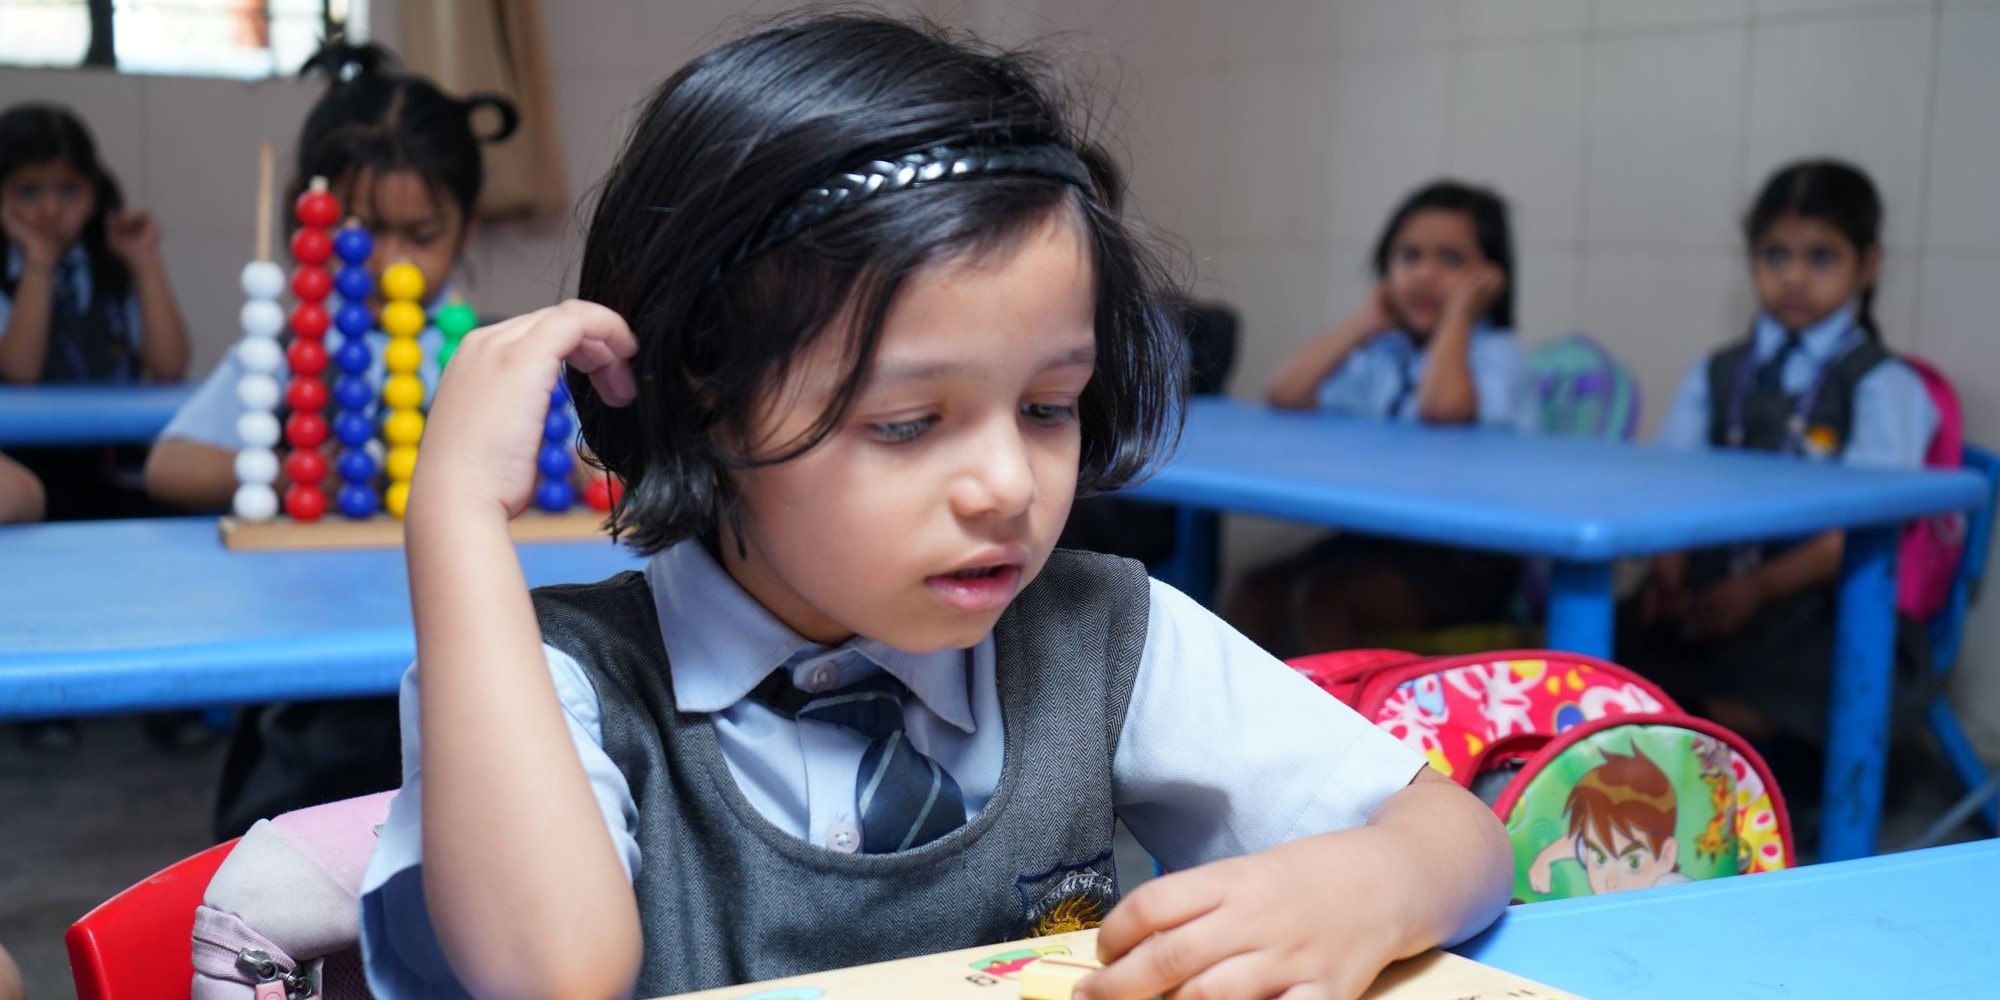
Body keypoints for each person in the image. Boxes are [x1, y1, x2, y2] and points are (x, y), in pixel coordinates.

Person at [357, 14, 1511, 999]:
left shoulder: (1099, 635)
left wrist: (1372, 883)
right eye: (907, 423)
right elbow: (552, 971)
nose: (1007, 485)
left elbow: (1456, 832)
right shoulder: (543, 684)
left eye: (1048, 406)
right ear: (699, 403)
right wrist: (451, 513)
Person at [139, 40, 519, 839]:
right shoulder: (291, 352)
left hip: (464, 653)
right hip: (314, 682)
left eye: (422, 233)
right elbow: (171, 466)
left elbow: (585, 464)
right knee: (298, 848)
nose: (391, 262)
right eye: (363, 231)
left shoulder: (485, 353)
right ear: (307, 220)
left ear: (466, 225)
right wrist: (289, 474)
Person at [1624, 160, 1937, 784]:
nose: (1794, 276)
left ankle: (1753, 790)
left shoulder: (1883, 385)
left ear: (1866, 266)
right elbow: (1670, 482)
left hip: (1819, 606)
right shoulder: (1716, 372)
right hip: (1708, 591)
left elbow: (1865, 527)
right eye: (1776, 255)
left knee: (1788, 686)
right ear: (1752, 261)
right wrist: (1669, 568)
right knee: (1607, 654)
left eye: (1821, 257)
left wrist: (1758, 590)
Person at [1224, 180, 1529, 656]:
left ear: (1489, 278)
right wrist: (1366, 322)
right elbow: (1286, 392)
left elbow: (1444, 409)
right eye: (1409, 256)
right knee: (1252, 593)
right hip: (1381, 541)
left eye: (1451, 260)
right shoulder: (1386, 353)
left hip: (1468, 560)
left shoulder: (1495, 353)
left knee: (1324, 602)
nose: (1425, 275)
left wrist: (1458, 318)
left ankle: (1346, 708)